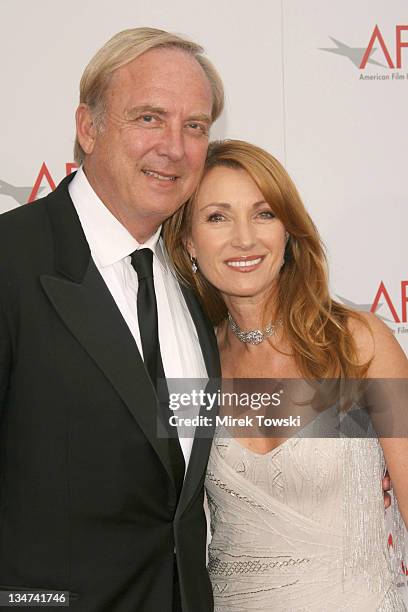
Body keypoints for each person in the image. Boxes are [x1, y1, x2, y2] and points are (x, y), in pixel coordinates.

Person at [0, 28, 224, 612]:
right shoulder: (9, 261)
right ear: (88, 127)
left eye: (195, 126)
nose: (174, 147)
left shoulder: (201, 279)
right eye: (149, 118)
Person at [163, 139, 408, 610]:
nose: (244, 239)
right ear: (189, 242)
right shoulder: (189, 365)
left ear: (289, 233)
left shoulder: (358, 342)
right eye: (217, 217)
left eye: (264, 214)